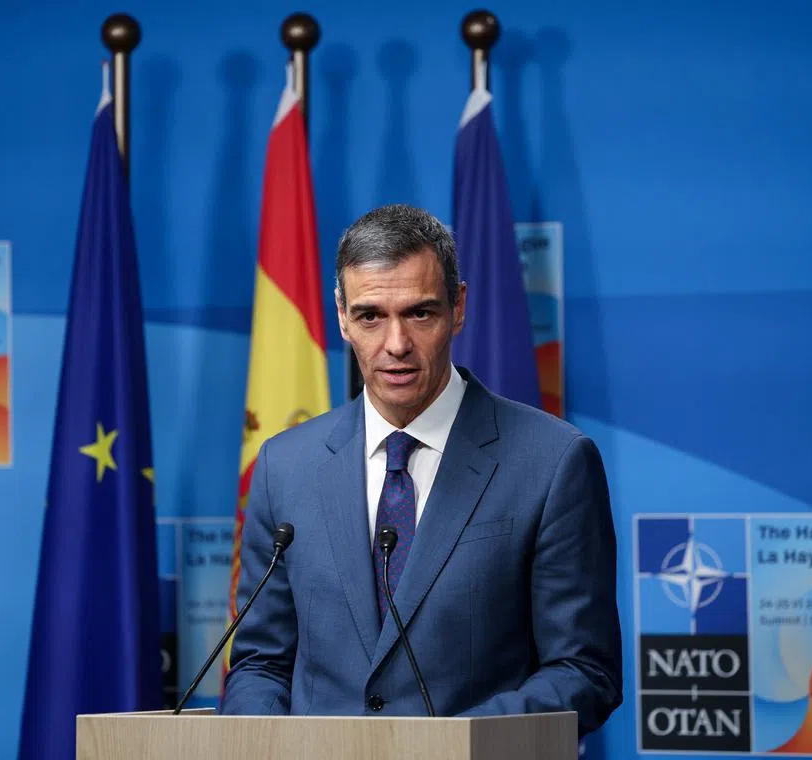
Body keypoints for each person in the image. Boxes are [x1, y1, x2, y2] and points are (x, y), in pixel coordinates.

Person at [218, 204, 622, 734]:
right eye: (370, 316)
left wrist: (448, 747)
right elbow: (259, 663)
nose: (396, 345)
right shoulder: (284, 466)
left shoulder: (553, 462)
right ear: (341, 315)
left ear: (458, 307)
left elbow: (583, 670)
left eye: (420, 313)